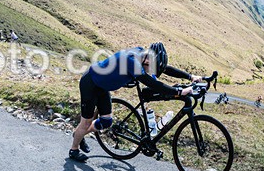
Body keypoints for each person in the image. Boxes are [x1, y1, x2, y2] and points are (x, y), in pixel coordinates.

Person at [68, 42, 204, 162]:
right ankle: (74, 149)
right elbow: (152, 83)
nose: (151, 71)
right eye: (151, 67)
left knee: (106, 122)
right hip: (90, 84)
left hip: (103, 87)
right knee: (86, 122)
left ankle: (79, 134)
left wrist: (190, 76)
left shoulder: (143, 56)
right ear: (147, 60)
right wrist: (179, 92)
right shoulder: (131, 62)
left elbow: (165, 68)